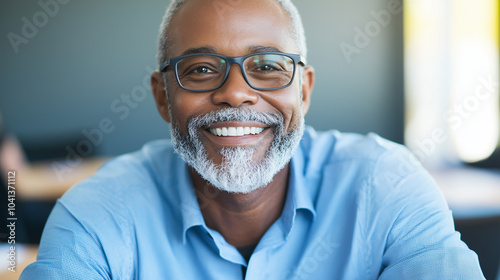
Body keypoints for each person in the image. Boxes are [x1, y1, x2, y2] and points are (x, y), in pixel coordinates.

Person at [20, 0, 485, 279]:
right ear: (163, 97)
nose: (235, 93)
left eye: (267, 66)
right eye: (201, 70)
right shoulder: (97, 215)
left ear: (303, 91)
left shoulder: (387, 185)